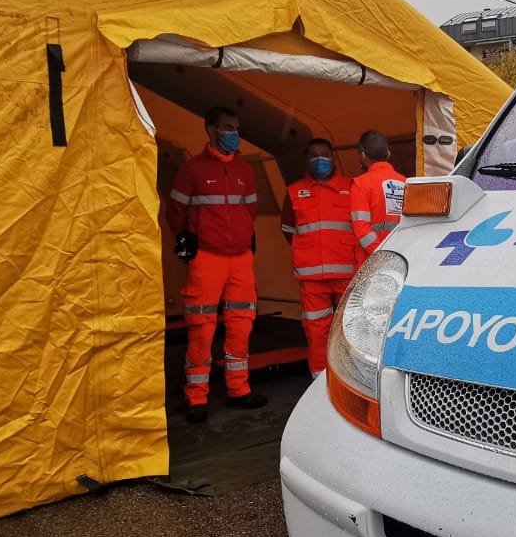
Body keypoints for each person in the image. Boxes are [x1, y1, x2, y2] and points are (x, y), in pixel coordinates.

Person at [167, 106, 267, 424]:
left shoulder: (245, 170)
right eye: (227, 127)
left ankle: (239, 390)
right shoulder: (191, 170)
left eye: (236, 128)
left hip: (240, 259)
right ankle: (196, 397)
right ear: (210, 130)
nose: (233, 133)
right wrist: (188, 239)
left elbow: (249, 211)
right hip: (206, 258)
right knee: (201, 329)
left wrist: (242, 240)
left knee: (241, 326)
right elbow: (175, 211)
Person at [280, 139, 357, 379]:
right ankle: (319, 383)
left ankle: (351, 382)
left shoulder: (352, 187)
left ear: (334, 157)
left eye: (324, 154)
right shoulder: (294, 192)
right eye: (314, 155)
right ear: (306, 160)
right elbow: (287, 229)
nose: (320, 159)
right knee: (316, 332)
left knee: (350, 331)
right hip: (312, 278)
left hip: (347, 274)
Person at [349, 130, 407, 265]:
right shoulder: (406, 182)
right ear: (388, 154)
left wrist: (381, 256)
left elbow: (362, 229)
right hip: (403, 258)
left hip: (372, 263)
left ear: (363, 155)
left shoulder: (360, 184)